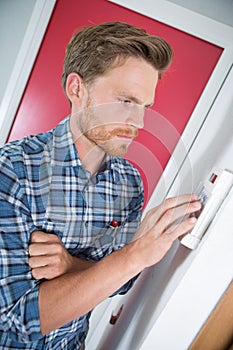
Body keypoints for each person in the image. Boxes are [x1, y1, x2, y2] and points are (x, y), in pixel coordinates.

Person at [0, 21, 201, 349]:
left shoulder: (130, 183)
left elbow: (121, 283)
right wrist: (134, 254)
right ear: (77, 89)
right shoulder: (12, 172)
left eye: (144, 107)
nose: (138, 122)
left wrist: (70, 264)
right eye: (125, 101)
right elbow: (16, 324)